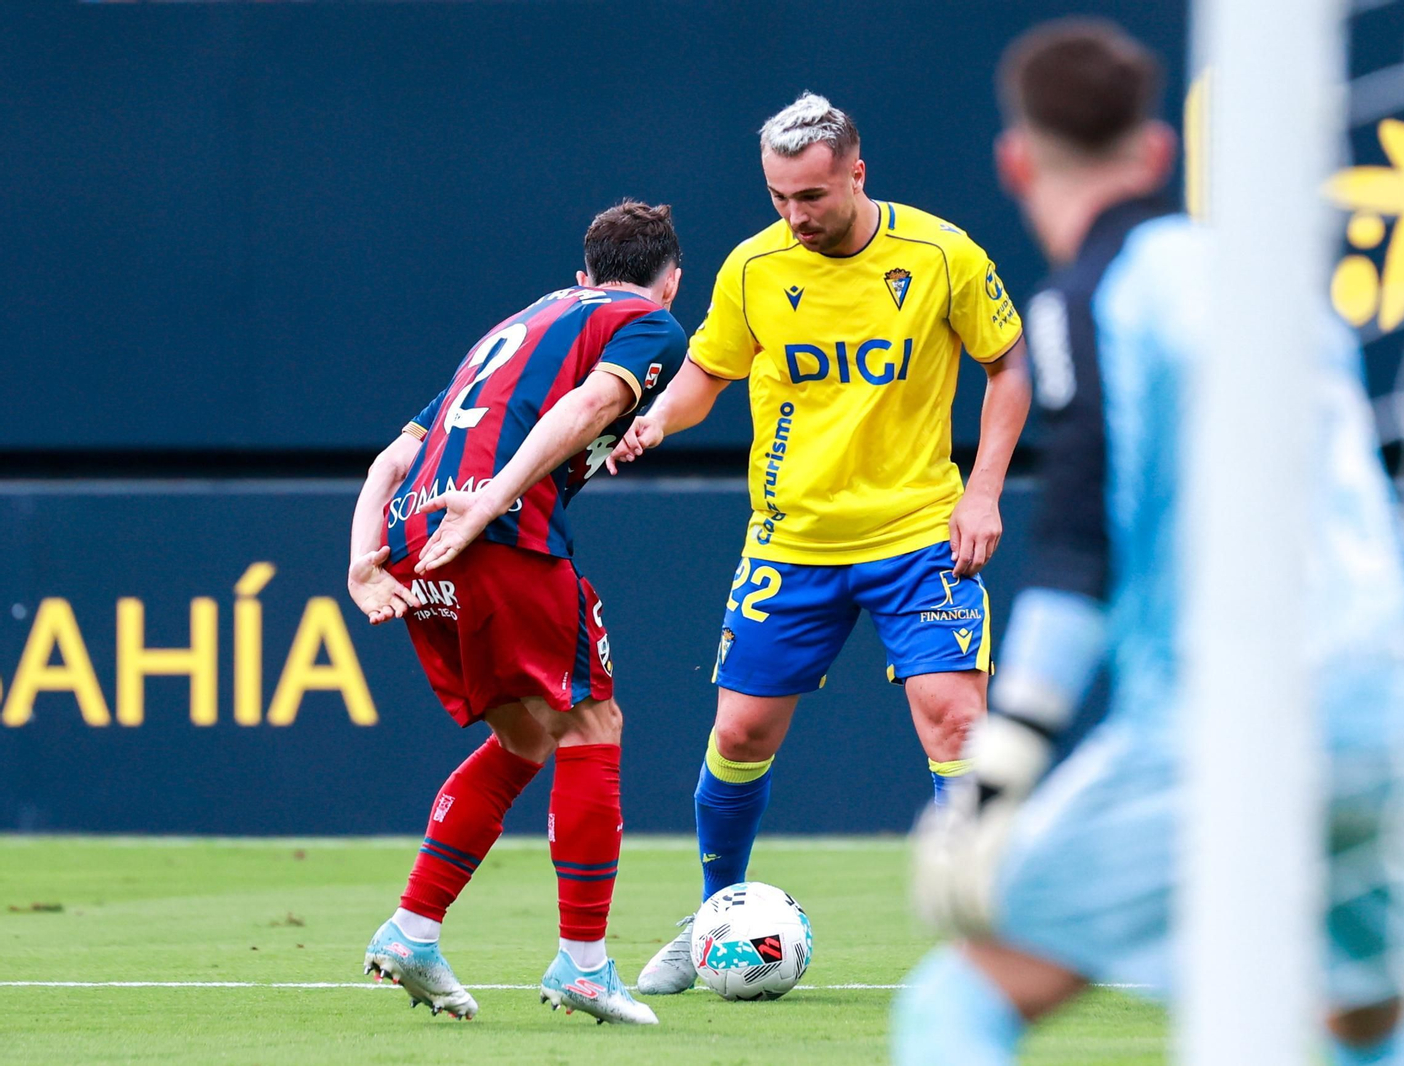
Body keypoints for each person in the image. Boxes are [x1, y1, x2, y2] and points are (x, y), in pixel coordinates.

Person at [893, 20, 1404, 1066]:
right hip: (1380, 707)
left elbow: (1072, 546)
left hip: (1229, 721)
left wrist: (998, 770)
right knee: (1366, 1028)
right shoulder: (1279, 285)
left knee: (951, 1005)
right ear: (1155, 153)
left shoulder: (1090, 301)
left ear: (1015, 163)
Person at [606, 92, 1032, 995]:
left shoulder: (940, 253)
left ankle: (982, 933)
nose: (794, 217)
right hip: (791, 539)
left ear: (856, 174)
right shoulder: (755, 268)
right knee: (740, 729)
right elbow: (705, 375)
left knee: (957, 720)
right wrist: (653, 424)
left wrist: (985, 492)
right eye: (778, 198)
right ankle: (717, 915)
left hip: (920, 532)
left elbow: (1008, 365)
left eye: (812, 196)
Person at [345, 200, 687, 1026]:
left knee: (526, 735)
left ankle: (414, 930)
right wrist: (494, 500)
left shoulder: (524, 323)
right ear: (671, 281)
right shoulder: (649, 321)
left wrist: (359, 563)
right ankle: (584, 965)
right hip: (491, 526)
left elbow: (393, 457)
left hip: (411, 536)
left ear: (583, 277)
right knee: (591, 722)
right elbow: (586, 410)